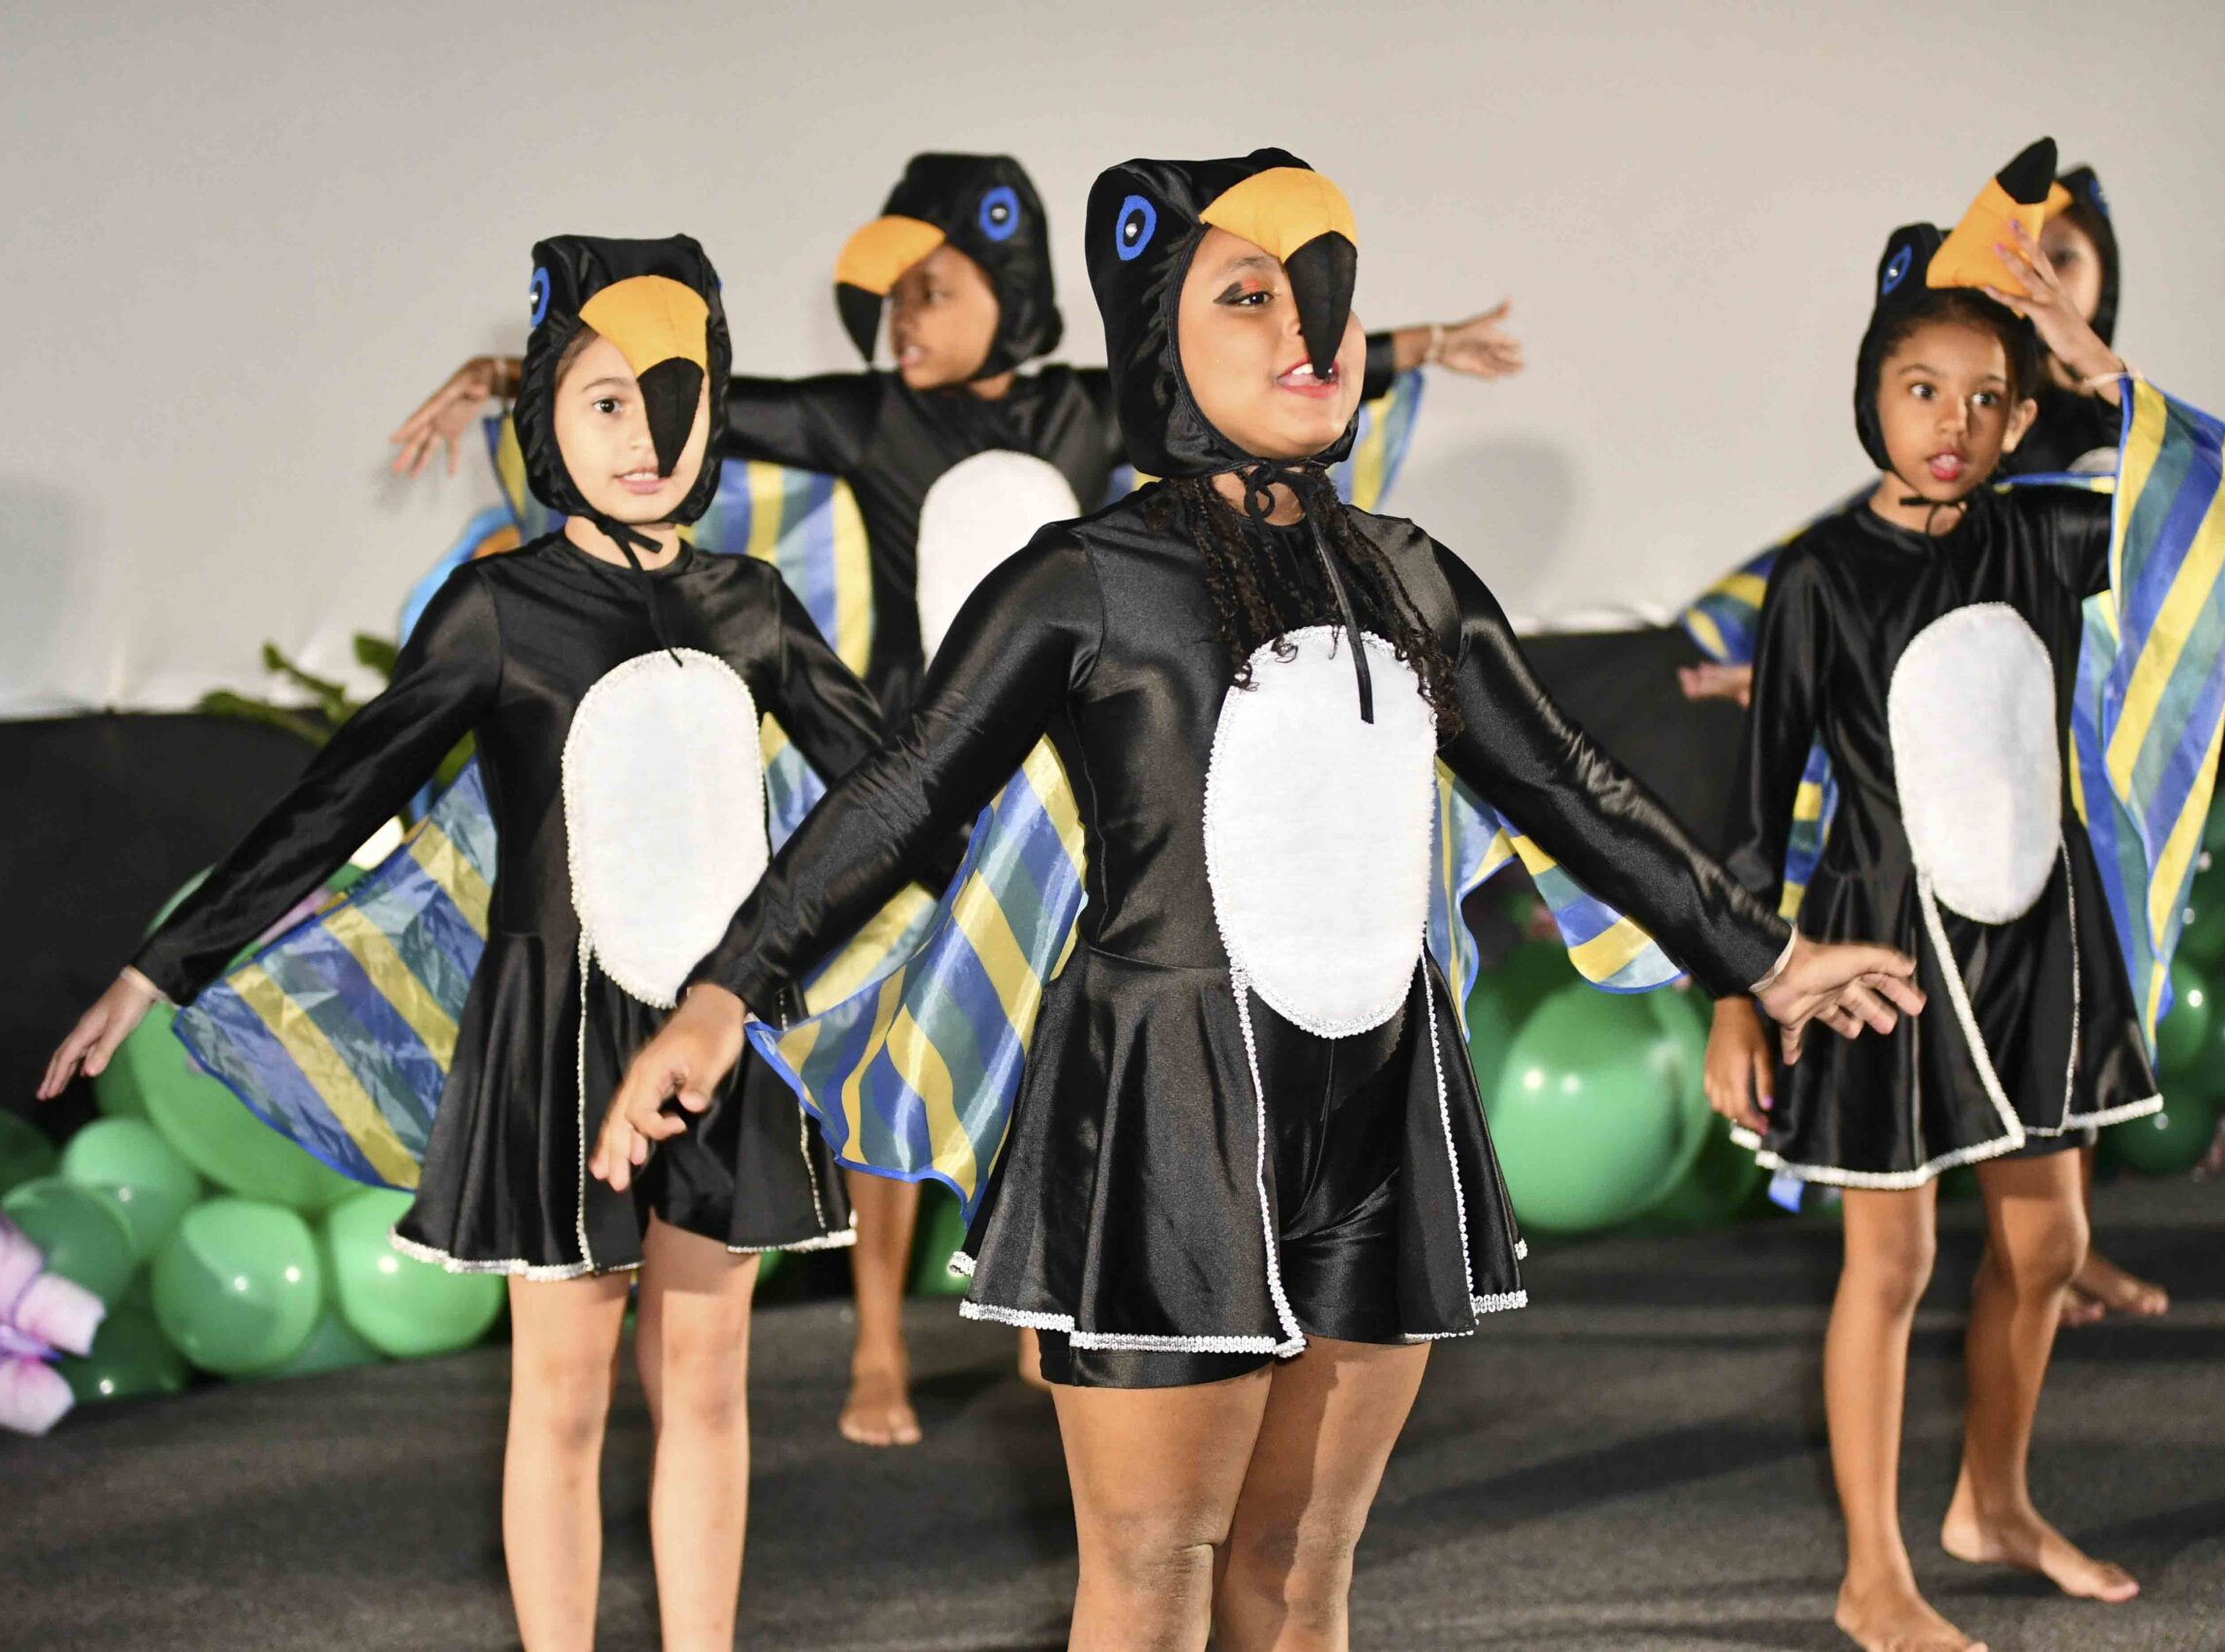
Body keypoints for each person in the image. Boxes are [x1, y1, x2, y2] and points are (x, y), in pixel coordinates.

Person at [599, 149, 1921, 1652]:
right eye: (1250, 296)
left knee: (1300, 1568)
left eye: (1326, 296)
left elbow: (1567, 783)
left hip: (1380, 1103)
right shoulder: (1085, 578)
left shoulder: (1411, 576)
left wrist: (1768, 957)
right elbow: (905, 791)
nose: (1311, 328)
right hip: (1166, 1115)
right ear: (1159, 339)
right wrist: (725, 993)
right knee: (1155, 1575)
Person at [388, 151, 1527, 1447]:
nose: (902, 325)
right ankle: (879, 1340)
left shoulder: (1091, 409)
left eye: (929, 292)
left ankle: (1070, 1291)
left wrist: (1420, 342)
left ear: (1010, 285)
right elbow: (704, 404)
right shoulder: (872, 421)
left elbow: (1273, 354)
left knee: (1069, 1042)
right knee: (903, 1029)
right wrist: (518, 375)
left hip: (1066, 802)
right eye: (888, 304)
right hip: (917, 770)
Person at [41, 236, 884, 1652]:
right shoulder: (502, 610)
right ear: (548, 412)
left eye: (675, 397)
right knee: (562, 1397)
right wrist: (164, 961)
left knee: (709, 1378)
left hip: (727, 1035)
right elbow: (338, 795)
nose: (647, 435)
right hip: (557, 1039)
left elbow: (894, 791)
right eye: (608, 400)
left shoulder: (754, 605)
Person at [1703, 140, 2225, 1652]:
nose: (1953, 423)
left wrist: (2095, 359)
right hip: (1880, 952)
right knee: (1891, 1263)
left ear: (2023, 414)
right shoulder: (1818, 575)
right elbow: (1755, 805)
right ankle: (1873, 1573)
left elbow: (2198, 505)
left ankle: (1993, 1503)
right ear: (1871, 395)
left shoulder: (2052, 534)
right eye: (1922, 388)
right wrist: (1739, 995)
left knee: (2050, 1251)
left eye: (1987, 397)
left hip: (2042, 943)